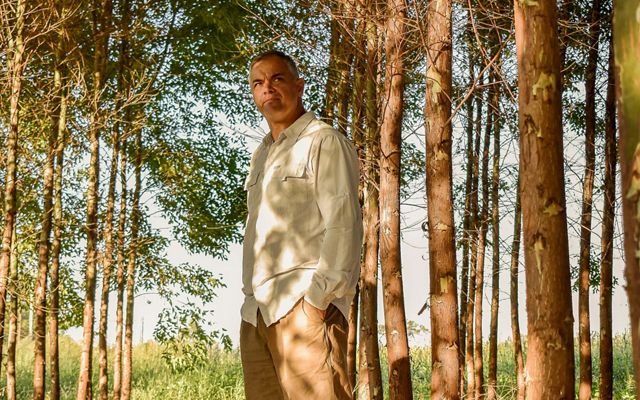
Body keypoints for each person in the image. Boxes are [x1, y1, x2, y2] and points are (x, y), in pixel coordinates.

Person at [240, 50, 363, 400]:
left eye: (277, 78)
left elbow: (344, 223)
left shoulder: (323, 141)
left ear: (298, 86)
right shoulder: (262, 154)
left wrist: (317, 301)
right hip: (257, 313)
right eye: (258, 83)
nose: (267, 88)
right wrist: (250, 304)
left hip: (303, 306)